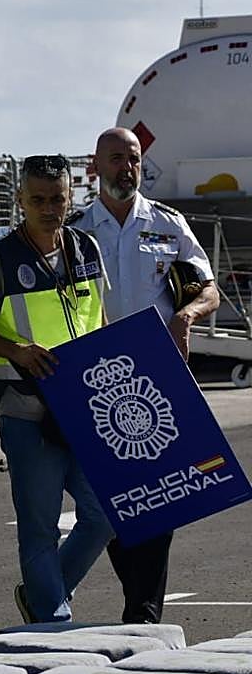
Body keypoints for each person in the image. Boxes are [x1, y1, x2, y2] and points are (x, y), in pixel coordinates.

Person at [69, 127, 220, 623]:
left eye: (132, 159)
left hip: (157, 379)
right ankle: (141, 604)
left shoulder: (167, 224)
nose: (125, 168)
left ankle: (143, 613)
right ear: (95, 166)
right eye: (115, 159)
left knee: (161, 497)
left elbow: (208, 288)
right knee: (111, 500)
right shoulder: (75, 232)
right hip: (97, 380)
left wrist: (187, 315)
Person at [0, 154, 112, 623]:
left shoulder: (85, 248)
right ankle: (55, 619)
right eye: (38, 199)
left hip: (82, 405)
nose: (49, 208)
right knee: (39, 525)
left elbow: (99, 320)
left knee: (104, 515)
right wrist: (17, 349)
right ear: (21, 200)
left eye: (58, 199)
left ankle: (45, 597)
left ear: (70, 198)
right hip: (27, 410)